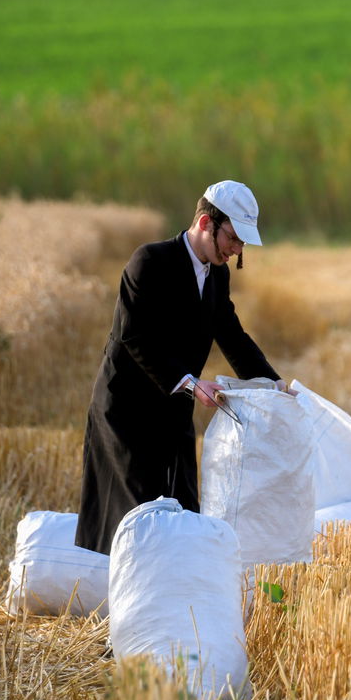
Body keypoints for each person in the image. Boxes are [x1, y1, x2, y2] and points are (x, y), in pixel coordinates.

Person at [74, 180, 284, 555]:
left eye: (241, 244)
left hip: (174, 410)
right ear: (206, 223)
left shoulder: (218, 275)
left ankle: (177, 603)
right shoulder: (150, 262)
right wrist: (189, 383)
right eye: (233, 239)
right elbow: (134, 337)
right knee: (137, 517)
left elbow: (232, 336)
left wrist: (274, 385)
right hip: (127, 411)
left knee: (186, 509)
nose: (236, 250)